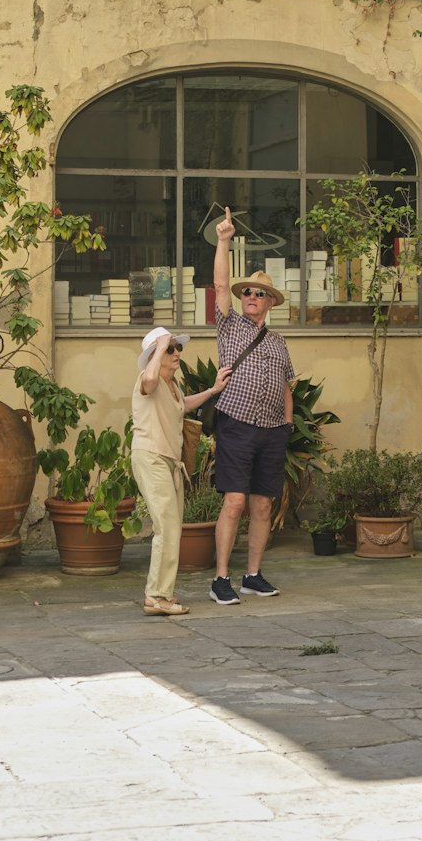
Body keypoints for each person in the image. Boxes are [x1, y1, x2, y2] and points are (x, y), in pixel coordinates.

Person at [209, 208, 295, 605]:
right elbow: (220, 281)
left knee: (262, 504)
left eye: (259, 294)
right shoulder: (229, 325)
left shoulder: (278, 342)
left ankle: (253, 575)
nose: (251, 297)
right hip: (237, 424)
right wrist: (224, 240)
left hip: (272, 429)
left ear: (270, 302)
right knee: (235, 501)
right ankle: (221, 578)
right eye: (248, 292)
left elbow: (286, 384)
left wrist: (287, 424)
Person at [131, 326, 230, 617]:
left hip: (170, 461)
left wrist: (213, 390)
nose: (177, 354)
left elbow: (182, 406)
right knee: (166, 527)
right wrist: (159, 344)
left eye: (177, 348)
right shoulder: (147, 379)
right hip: (151, 457)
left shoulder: (172, 386)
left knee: (173, 528)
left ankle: (162, 593)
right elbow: (149, 378)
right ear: (155, 355)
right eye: (171, 349)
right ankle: (156, 596)